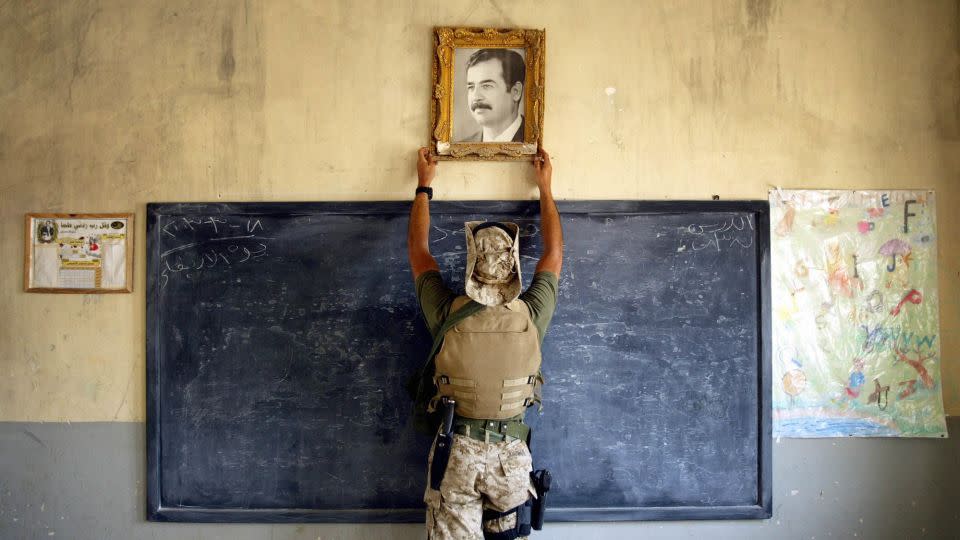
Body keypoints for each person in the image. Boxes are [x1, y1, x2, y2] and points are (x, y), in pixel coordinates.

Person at [408, 147, 562, 539]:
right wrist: (545, 187)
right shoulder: (531, 315)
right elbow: (554, 253)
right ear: (513, 266)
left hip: (456, 454)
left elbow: (419, 252)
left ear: (471, 263)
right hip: (511, 461)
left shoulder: (446, 312)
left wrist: (424, 186)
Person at [461, 49, 526, 143]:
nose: (476, 97)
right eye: (471, 87)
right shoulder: (461, 148)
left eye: (486, 86)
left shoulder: (537, 143)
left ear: (516, 92)